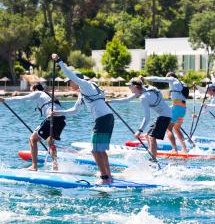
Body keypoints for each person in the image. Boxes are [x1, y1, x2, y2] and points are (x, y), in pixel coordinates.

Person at [51, 54, 114, 184]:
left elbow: (71, 74)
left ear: (76, 80)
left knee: (95, 150)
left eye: (69, 81)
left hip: (102, 119)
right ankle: (108, 175)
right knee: (100, 150)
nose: (69, 84)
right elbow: (74, 110)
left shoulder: (85, 84)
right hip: (108, 118)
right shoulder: (84, 91)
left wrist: (59, 61)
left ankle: (104, 178)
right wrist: (58, 113)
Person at [0, 83, 66, 171]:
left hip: (52, 119)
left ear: (35, 89)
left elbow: (22, 98)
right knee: (50, 143)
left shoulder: (38, 93)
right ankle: (55, 166)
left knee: (33, 139)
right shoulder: (49, 95)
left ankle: (34, 166)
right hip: (61, 120)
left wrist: (5, 100)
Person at [111, 77, 172, 159]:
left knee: (152, 137)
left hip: (165, 116)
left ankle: (153, 159)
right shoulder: (145, 89)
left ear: (135, 87)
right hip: (163, 114)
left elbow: (147, 117)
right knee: (147, 135)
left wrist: (139, 131)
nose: (129, 87)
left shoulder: (144, 97)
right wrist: (110, 101)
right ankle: (151, 154)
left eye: (130, 86)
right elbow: (126, 100)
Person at [144, 72, 188, 154]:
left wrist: (145, 78)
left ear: (170, 77)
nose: (167, 81)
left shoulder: (172, 80)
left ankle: (175, 150)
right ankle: (184, 149)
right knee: (177, 129)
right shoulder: (182, 83)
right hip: (183, 108)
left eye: (167, 78)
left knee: (168, 129)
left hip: (177, 107)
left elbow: (158, 79)